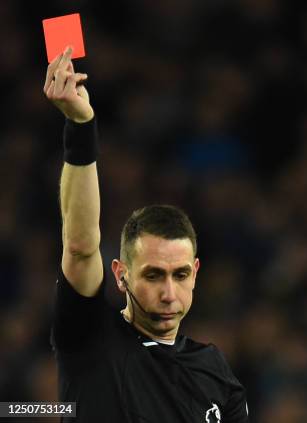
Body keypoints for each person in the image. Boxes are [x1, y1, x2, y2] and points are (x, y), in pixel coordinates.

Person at [44, 46, 249, 423]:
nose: (169, 294)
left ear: (196, 272)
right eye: (153, 275)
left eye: (180, 274)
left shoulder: (216, 373)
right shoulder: (90, 338)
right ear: (121, 274)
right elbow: (80, 245)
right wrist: (81, 126)